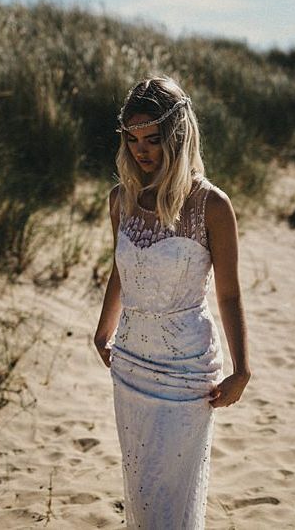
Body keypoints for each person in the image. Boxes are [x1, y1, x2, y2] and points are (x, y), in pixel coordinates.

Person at [94, 76, 251, 529]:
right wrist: (102, 331)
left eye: (153, 139)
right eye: (133, 139)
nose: (142, 150)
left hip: (187, 369)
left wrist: (243, 368)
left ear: (177, 136)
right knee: (142, 495)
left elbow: (230, 292)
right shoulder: (120, 200)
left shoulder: (212, 206)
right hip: (130, 363)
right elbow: (121, 271)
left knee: (174, 501)